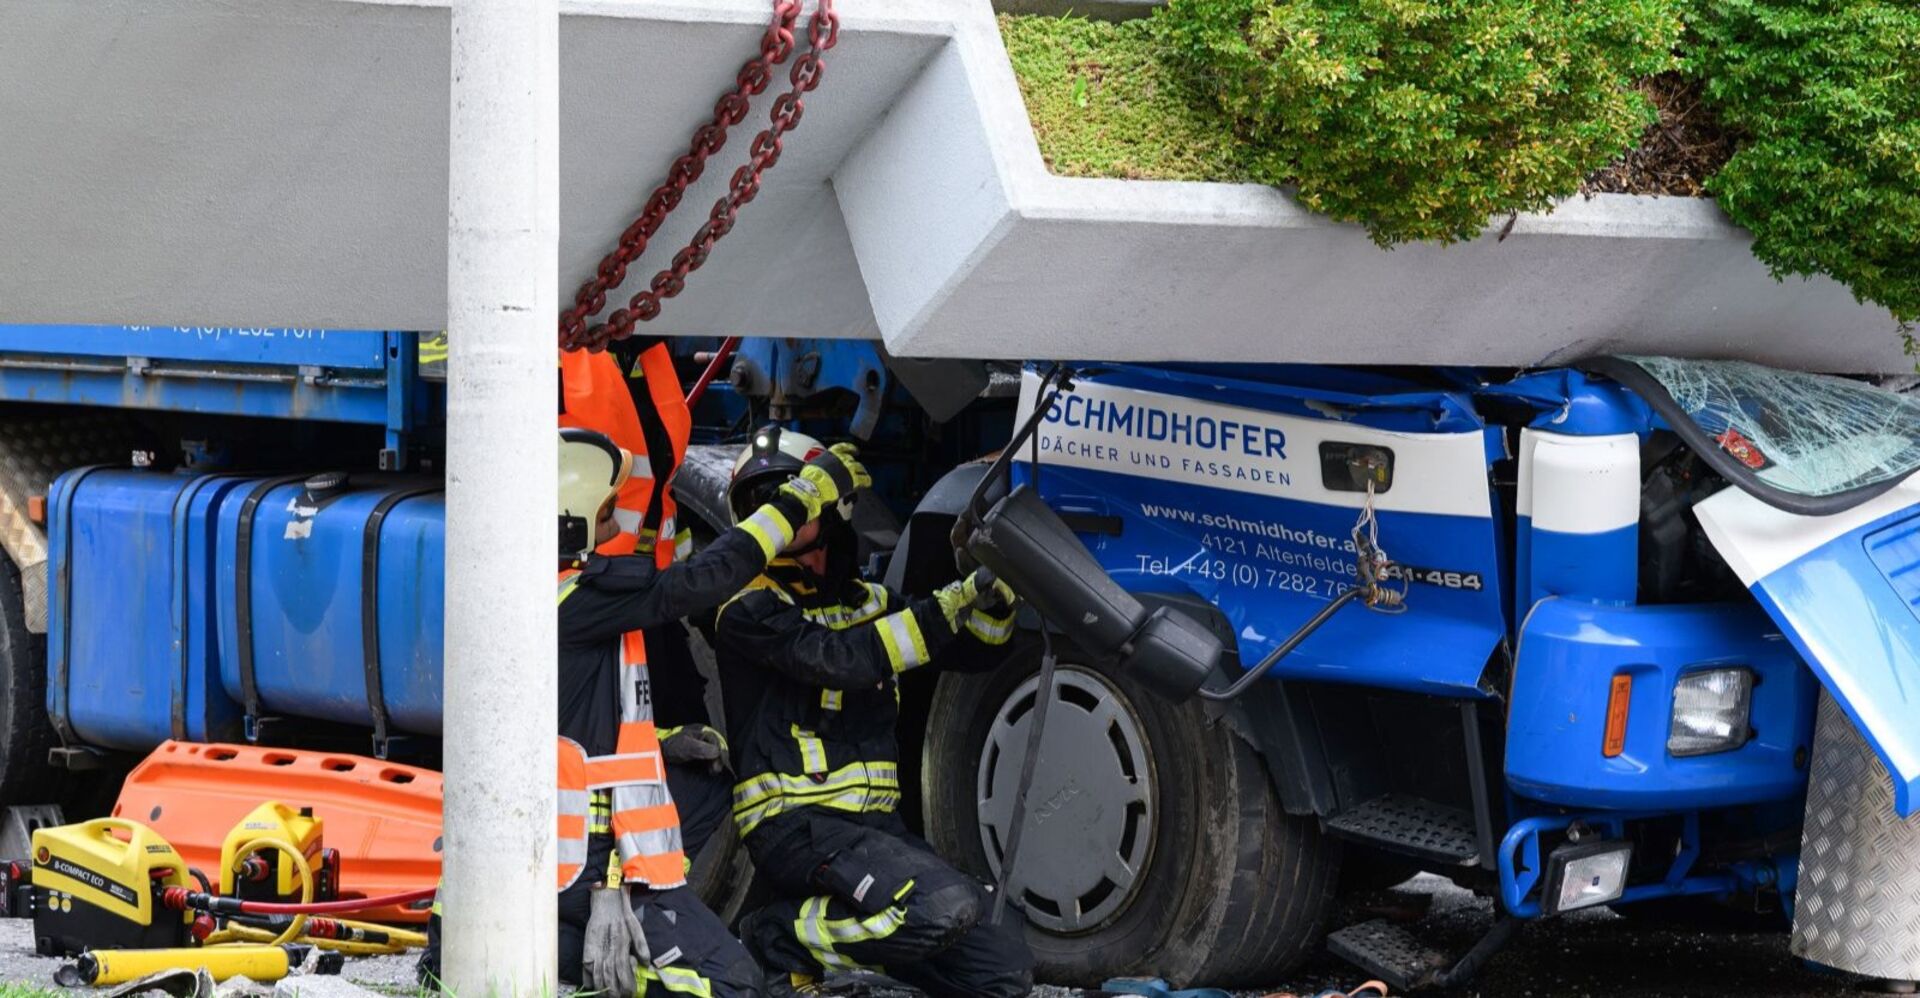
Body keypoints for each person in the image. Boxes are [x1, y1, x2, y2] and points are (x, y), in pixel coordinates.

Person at [419, 425, 869, 998]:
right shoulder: (578, 600)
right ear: (573, 514)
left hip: (532, 860)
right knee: (735, 987)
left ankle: (550, 940)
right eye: (608, 509)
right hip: (573, 865)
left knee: (702, 788)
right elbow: (711, 576)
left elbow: (565, 734)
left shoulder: (528, 594)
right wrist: (800, 500)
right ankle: (583, 947)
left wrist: (661, 741)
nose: (620, 522)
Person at [712, 426, 1036, 998]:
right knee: (941, 906)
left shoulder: (873, 603)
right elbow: (844, 660)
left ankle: (863, 949)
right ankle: (775, 935)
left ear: (835, 512)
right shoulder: (747, 609)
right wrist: (949, 604)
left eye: (784, 499)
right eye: (757, 504)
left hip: (874, 829)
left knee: (1003, 966)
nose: (773, 516)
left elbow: (979, 649)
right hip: (795, 825)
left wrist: (992, 592)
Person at [558, 342, 730, 857]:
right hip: (589, 596)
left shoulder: (647, 356)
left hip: (641, 591)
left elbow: (659, 485)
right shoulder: (561, 359)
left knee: (695, 761)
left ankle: (646, 887)